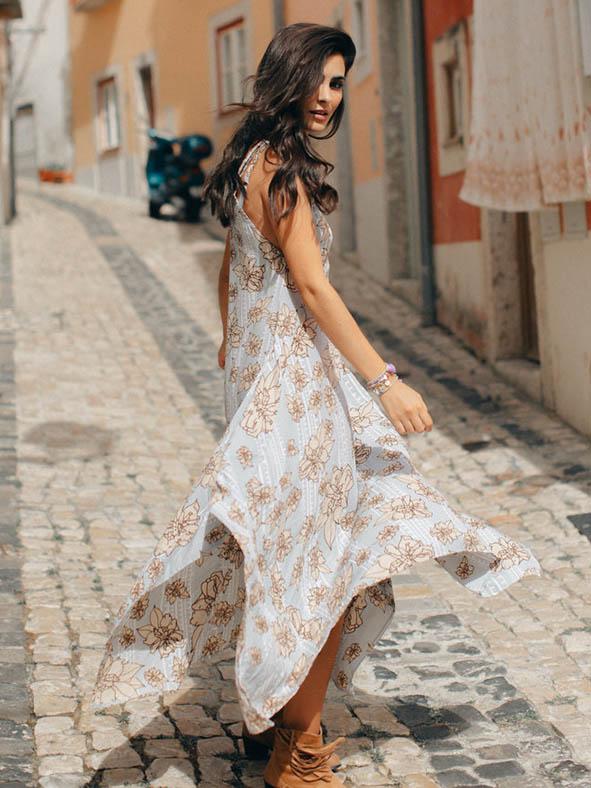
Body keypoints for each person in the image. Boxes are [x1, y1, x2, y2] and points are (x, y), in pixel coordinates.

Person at [90, 22, 541, 788]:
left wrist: (233, 343)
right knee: (323, 565)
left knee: (301, 554)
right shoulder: (281, 173)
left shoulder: (251, 162)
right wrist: (384, 381)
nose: (329, 95)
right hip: (295, 396)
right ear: (287, 77)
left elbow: (234, 264)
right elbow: (311, 285)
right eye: (320, 79)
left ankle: (281, 719)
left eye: (338, 82)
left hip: (270, 387)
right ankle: (296, 754)